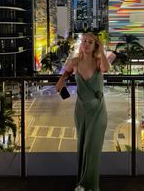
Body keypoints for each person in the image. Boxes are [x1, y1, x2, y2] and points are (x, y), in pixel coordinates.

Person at [56, 32, 114, 191]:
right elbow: (66, 71)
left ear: (95, 45)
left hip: (98, 111)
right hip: (81, 111)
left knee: (93, 148)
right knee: (83, 146)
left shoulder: (98, 62)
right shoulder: (74, 62)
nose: (86, 44)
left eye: (90, 42)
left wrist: (101, 50)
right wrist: (62, 79)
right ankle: (81, 183)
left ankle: (90, 185)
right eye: (84, 41)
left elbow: (106, 69)